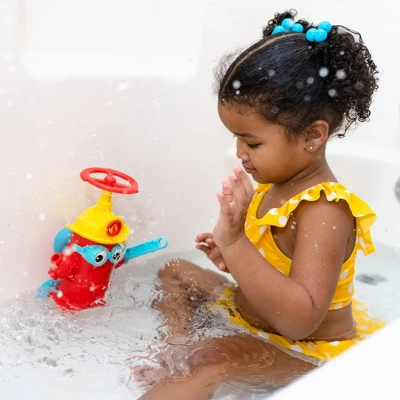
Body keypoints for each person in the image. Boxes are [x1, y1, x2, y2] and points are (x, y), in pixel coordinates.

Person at [138, 10, 385, 400]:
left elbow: (299, 320)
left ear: (313, 136)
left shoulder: (325, 210)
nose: (240, 152)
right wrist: (232, 257)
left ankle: (189, 368)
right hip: (252, 314)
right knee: (175, 271)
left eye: (252, 142)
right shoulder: (276, 182)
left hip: (307, 352)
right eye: (236, 139)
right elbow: (273, 263)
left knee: (210, 360)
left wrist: (235, 242)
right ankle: (176, 349)